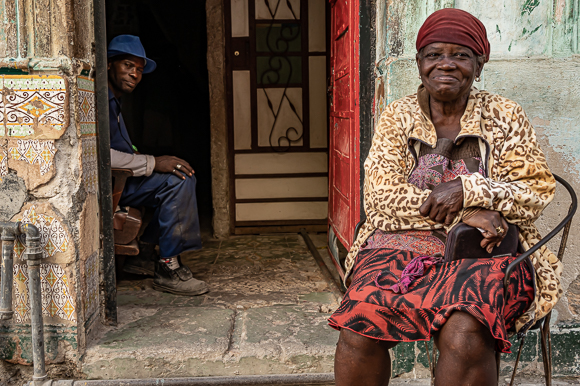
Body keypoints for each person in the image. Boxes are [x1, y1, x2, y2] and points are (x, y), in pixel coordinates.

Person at [329, 9, 560, 386]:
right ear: (420, 63)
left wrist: (467, 188)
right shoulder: (398, 115)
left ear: (479, 65)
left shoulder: (504, 114)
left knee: (466, 328)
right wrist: (467, 213)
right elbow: (381, 199)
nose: (446, 64)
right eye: (434, 54)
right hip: (397, 247)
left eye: (461, 55)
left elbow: (536, 191)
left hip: (487, 251)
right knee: (360, 321)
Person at [107, 35, 208, 296]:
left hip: (122, 179)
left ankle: (144, 256)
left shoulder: (114, 101)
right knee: (177, 180)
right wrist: (153, 162)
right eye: (128, 65)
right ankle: (167, 267)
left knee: (180, 175)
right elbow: (103, 157)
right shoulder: (101, 103)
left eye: (139, 70)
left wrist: (149, 160)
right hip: (111, 184)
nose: (134, 74)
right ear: (109, 64)